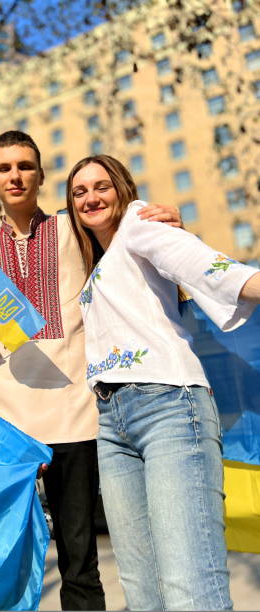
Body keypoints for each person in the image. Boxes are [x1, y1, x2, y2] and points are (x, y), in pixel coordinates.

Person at [0, 131, 182, 610]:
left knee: (79, 559)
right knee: (2, 556)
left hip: (78, 414)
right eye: (4, 168)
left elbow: (129, 248)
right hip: (7, 424)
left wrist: (166, 225)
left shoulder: (73, 230)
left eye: (25, 166)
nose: (15, 176)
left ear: (40, 175)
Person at [65, 153, 260, 611]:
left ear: (123, 189)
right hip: (112, 425)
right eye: (79, 192)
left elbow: (202, 265)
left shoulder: (138, 222)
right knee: (142, 593)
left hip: (168, 408)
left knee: (191, 588)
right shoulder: (97, 260)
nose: (91, 197)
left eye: (101, 185)